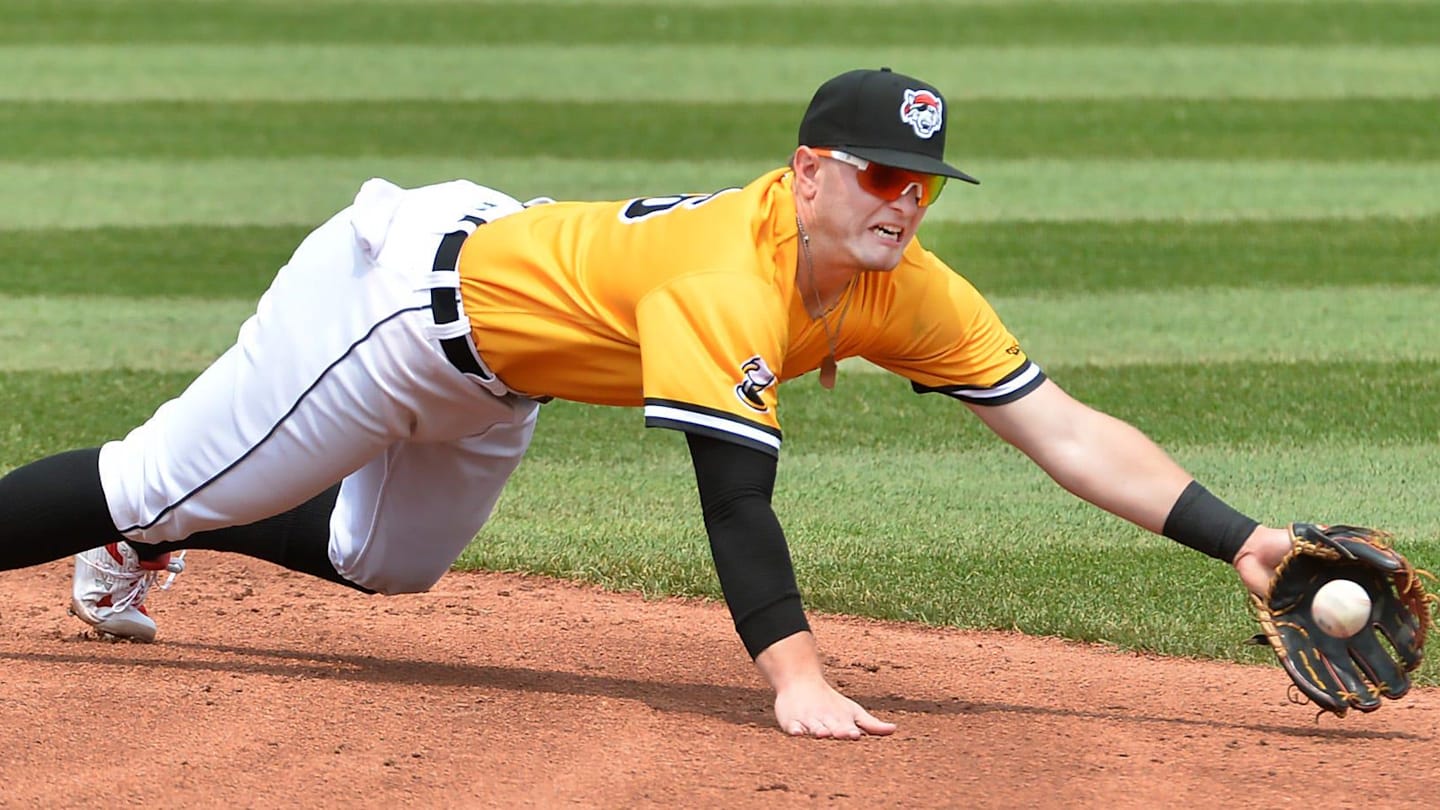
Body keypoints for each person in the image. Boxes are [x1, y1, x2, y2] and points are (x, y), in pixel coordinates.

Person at [4, 67, 1297, 740]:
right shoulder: (727, 273)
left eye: (922, 183)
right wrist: (795, 675)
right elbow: (733, 498)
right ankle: (144, 516)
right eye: (877, 175)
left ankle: (156, 537)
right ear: (807, 172)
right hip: (392, 312)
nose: (903, 203)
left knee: (382, 561)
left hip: (503, 367)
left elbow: (1062, 428)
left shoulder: (902, 285)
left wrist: (1239, 538)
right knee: (150, 475)